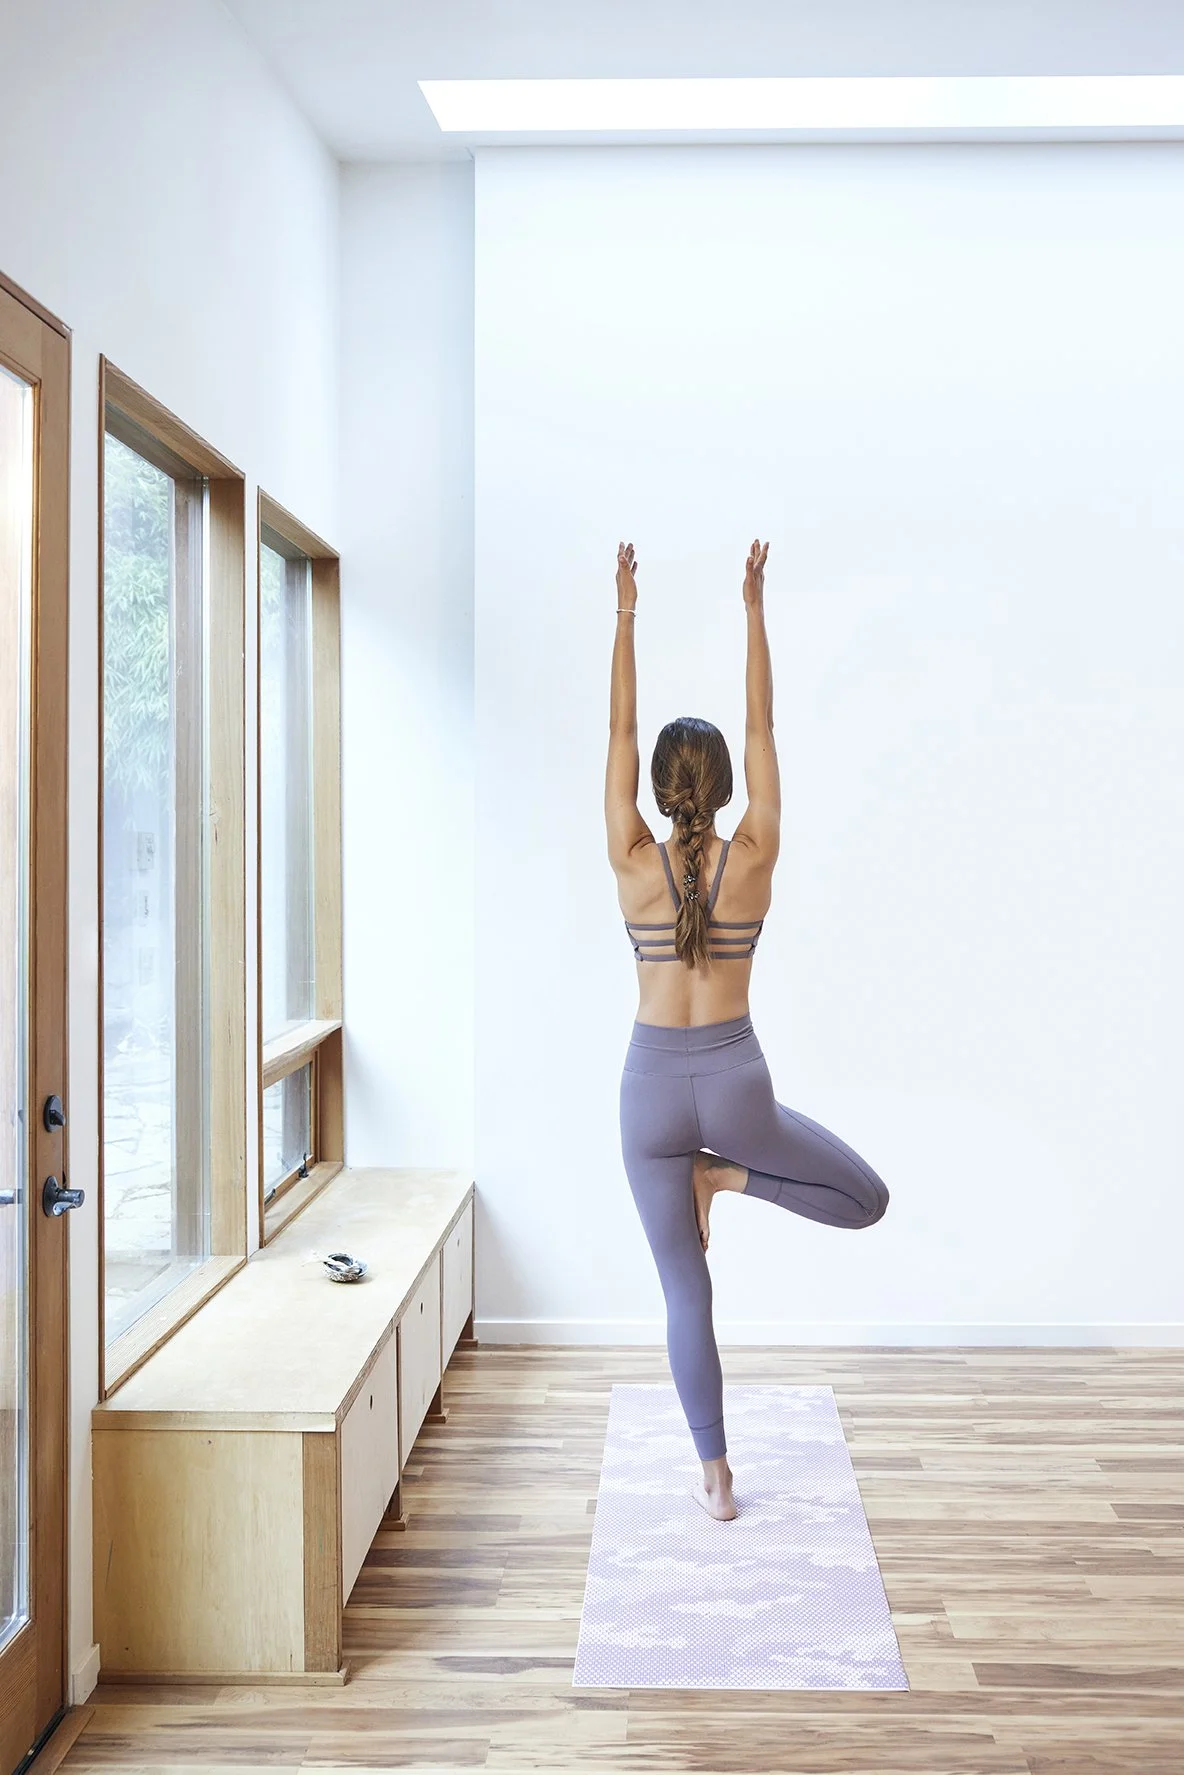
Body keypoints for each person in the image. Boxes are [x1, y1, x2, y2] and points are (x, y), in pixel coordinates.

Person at [605, 537, 889, 1522]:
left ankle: (715, 1480)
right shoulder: (756, 853)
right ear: (723, 785)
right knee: (865, 1198)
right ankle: (726, 1175)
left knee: (685, 1293)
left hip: (647, 1091)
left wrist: (625, 613)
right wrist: (753, 609)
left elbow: (618, 731)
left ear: (653, 787)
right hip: (734, 1081)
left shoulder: (630, 852)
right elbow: (763, 721)